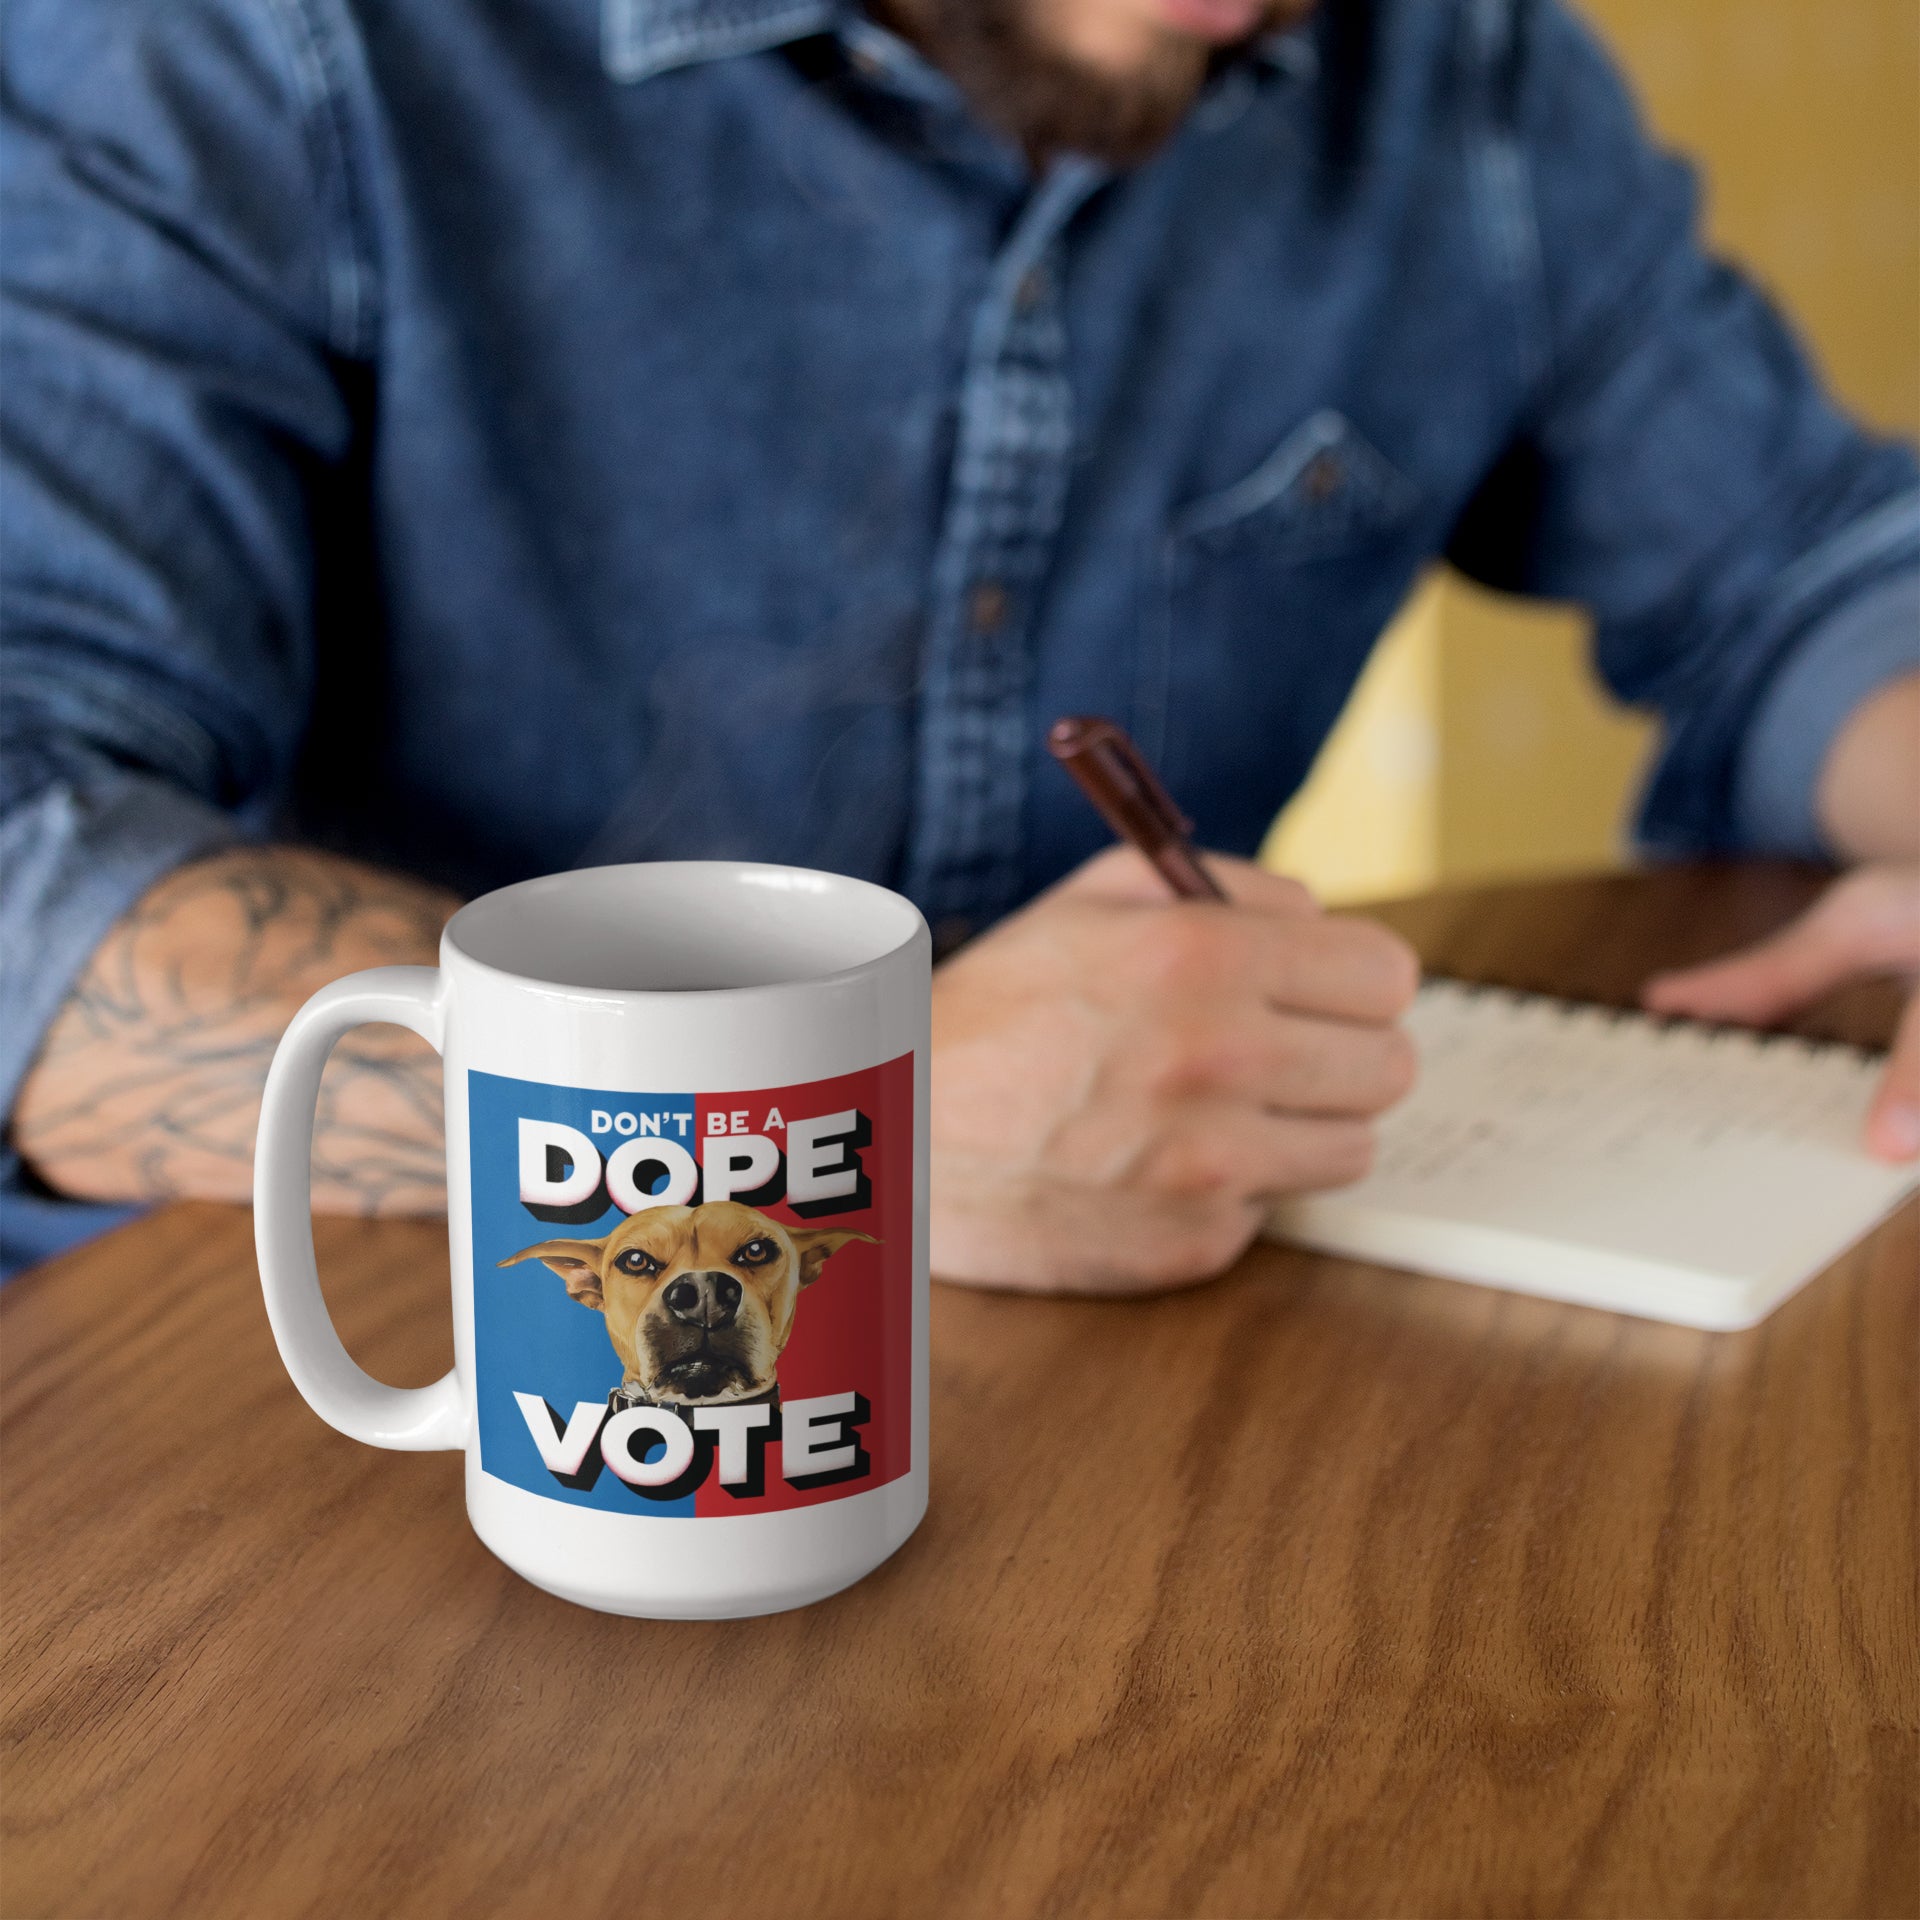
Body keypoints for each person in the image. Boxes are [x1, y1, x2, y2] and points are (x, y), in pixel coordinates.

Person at [3, 0, 1915, 1288]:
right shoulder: (233, 50)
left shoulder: (1459, 78)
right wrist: (839, 1125)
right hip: (302, 1419)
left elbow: (1806, 563)